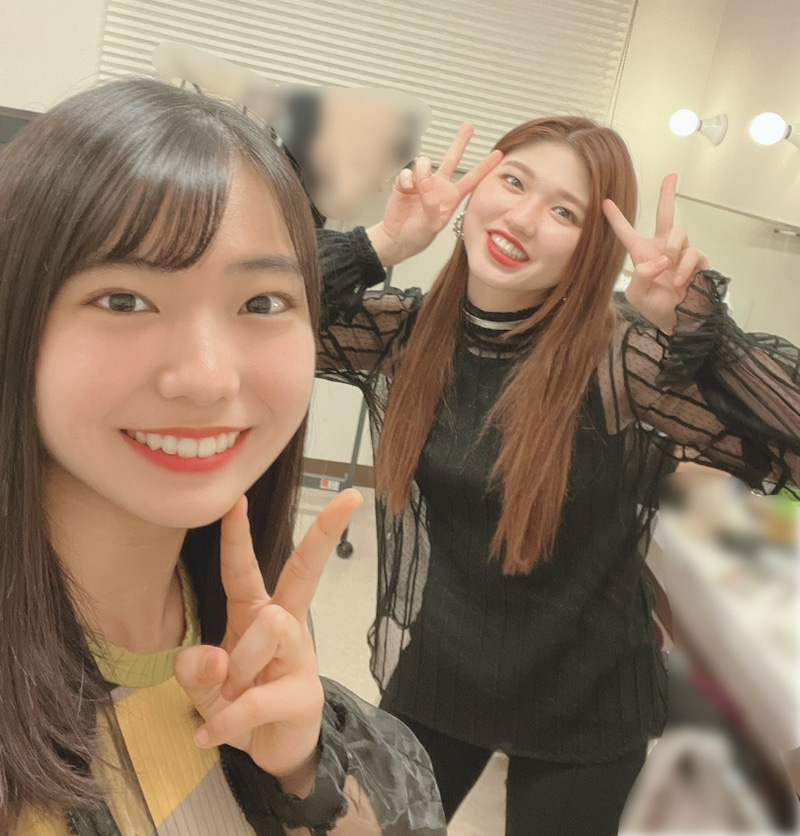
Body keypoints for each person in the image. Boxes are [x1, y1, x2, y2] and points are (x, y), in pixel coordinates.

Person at [315, 116, 800, 835]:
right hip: (445, 663)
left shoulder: (618, 359)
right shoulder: (411, 333)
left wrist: (703, 329)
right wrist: (385, 241)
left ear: (591, 250)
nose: (522, 218)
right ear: (478, 187)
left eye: (564, 212)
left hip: (587, 697)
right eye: (513, 182)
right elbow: (254, 310)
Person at [0, 77, 446, 835]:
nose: (209, 377)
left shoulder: (248, 641)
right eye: (123, 300)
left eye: (261, 302)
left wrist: (300, 775)